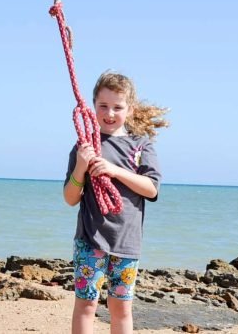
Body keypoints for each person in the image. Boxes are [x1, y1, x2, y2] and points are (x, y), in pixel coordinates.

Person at [63, 71, 168, 334]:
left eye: (117, 107)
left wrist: (114, 170)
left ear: (129, 110)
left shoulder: (140, 145)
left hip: (127, 242)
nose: (110, 114)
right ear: (93, 106)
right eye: (103, 106)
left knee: (121, 308)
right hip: (90, 239)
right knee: (86, 304)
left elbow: (151, 189)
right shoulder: (84, 146)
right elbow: (70, 198)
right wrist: (81, 167)